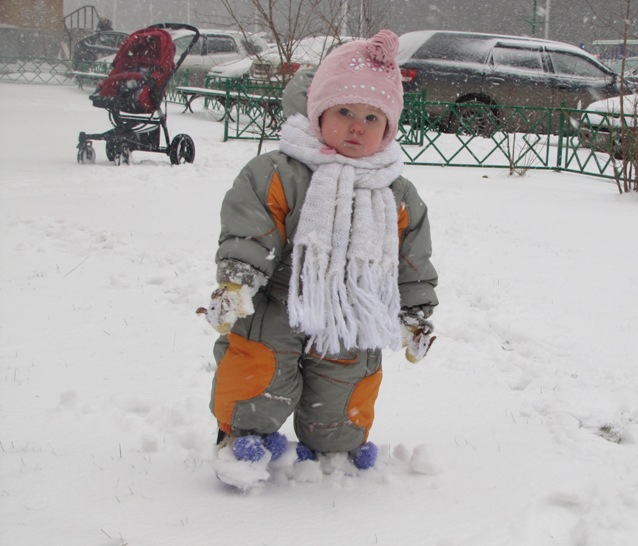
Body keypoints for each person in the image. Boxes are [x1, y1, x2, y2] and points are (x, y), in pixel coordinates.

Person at [198, 30, 438, 470]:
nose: (356, 126)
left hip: (353, 308)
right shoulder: (280, 171)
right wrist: (237, 283)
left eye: (372, 117)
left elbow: (411, 259)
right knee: (259, 370)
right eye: (344, 111)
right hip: (277, 301)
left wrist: (413, 314)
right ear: (318, 112)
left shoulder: (395, 193)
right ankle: (243, 441)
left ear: (388, 129)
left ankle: (336, 449)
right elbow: (251, 228)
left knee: (344, 382)